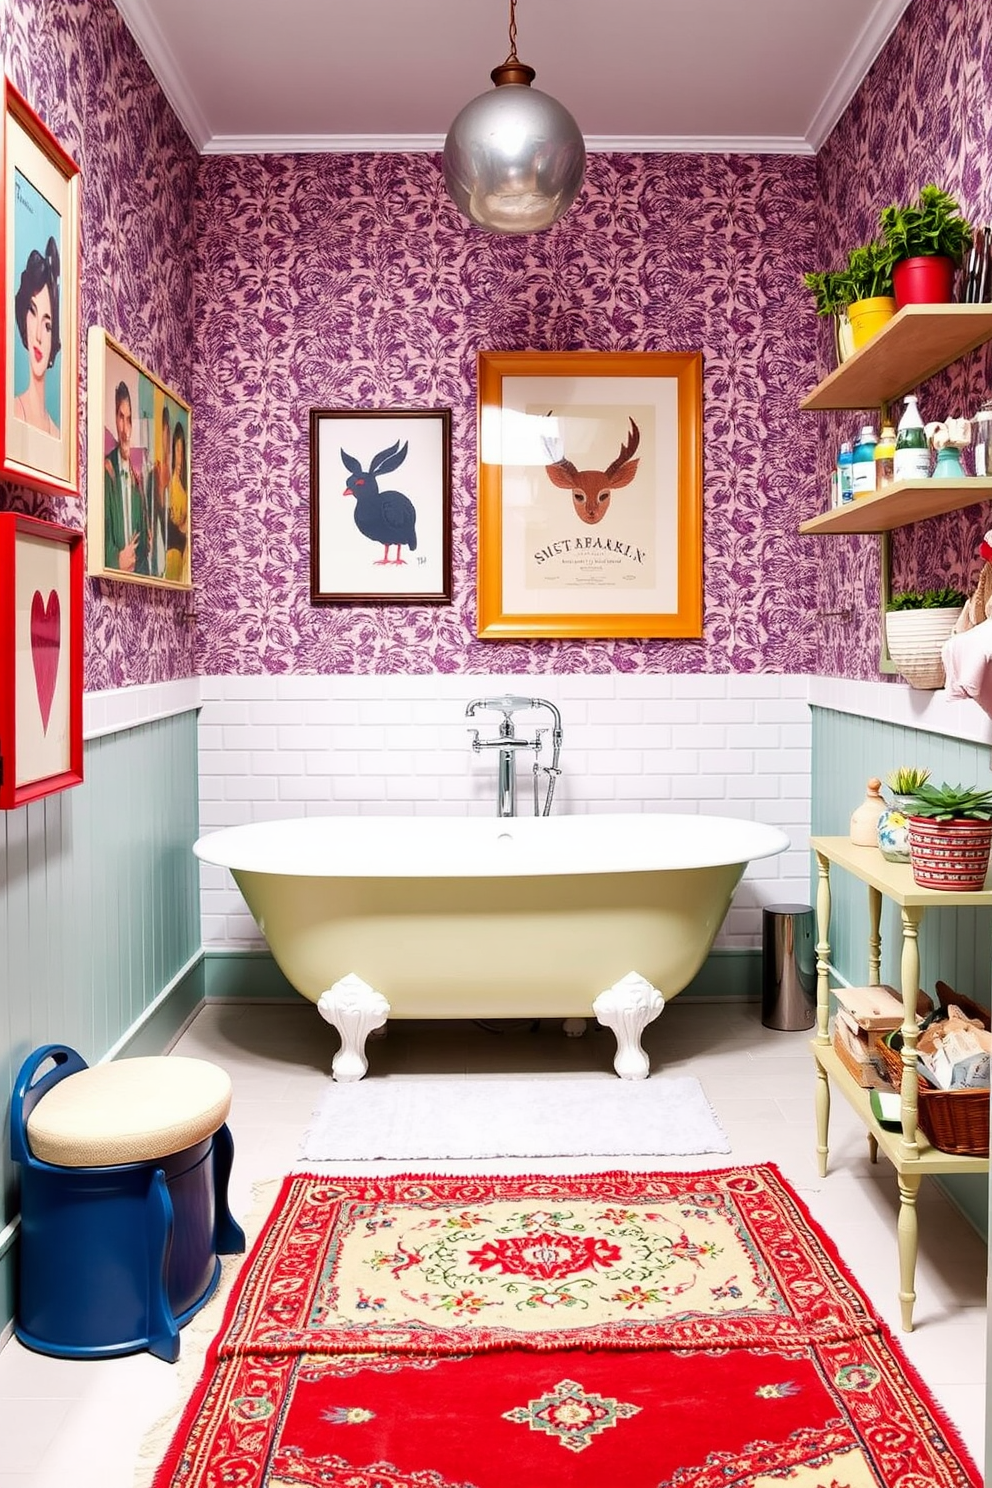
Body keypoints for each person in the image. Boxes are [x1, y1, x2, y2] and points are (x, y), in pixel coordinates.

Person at [12, 237, 60, 437]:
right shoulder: (13, 412)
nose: (39, 336)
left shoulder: (58, 434)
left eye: (47, 325)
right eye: (33, 312)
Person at [104, 380, 147, 574]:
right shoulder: (106, 471)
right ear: (115, 418)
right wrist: (116, 560)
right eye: (121, 418)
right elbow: (101, 535)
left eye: (129, 420)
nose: (125, 430)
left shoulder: (137, 478)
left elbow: (144, 542)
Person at [145, 403, 171, 579]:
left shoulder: (176, 477)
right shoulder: (154, 474)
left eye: (168, 434)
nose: (166, 440)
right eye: (164, 433)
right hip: (156, 559)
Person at [165, 416, 189, 582]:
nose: (179, 458)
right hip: (173, 547)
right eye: (176, 451)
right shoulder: (172, 482)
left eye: (182, 452)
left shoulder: (185, 483)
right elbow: (172, 521)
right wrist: (182, 528)